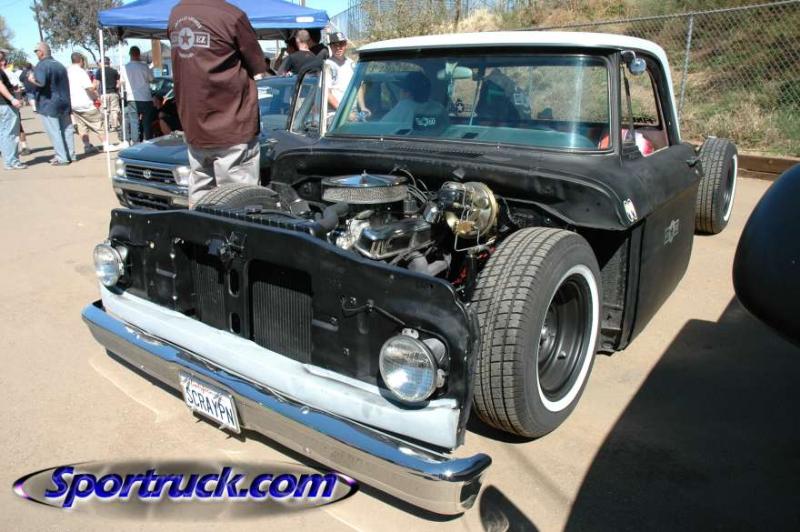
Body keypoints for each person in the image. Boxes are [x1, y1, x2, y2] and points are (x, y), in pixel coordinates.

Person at [168, 0, 266, 206]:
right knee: (239, 202)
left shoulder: (176, 15)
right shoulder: (232, 16)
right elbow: (258, 65)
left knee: (200, 198)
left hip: (195, 127)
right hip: (232, 127)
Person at [28, 42, 74, 166]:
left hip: (48, 103)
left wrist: (32, 80)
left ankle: (62, 158)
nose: (36, 54)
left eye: (36, 51)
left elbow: (41, 82)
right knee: (67, 129)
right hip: (64, 101)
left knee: (54, 131)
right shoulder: (60, 65)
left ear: (41, 52)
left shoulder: (41, 65)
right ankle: (71, 154)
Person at [67, 52, 117, 154]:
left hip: (74, 104)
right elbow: (89, 88)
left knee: (82, 126)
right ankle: (106, 144)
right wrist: (95, 91)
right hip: (85, 103)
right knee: (98, 124)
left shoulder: (67, 71)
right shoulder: (81, 72)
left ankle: (87, 145)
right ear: (81, 60)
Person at [120, 46, 154, 143]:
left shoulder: (125, 67)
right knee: (147, 121)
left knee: (134, 121)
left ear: (130, 54)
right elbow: (151, 79)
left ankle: (135, 142)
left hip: (132, 97)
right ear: (139, 54)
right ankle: (148, 140)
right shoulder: (144, 66)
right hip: (145, 97)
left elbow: (122, 82)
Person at [0, 51, 30, 155]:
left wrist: (16, 100)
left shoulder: (9, 73)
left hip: (8, 103)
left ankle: (24, 146)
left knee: (17, 126)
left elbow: (17, 88)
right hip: (6, 103)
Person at [0, 63, 26, 170]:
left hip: (3, 105)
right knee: (11, 134)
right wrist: (12, 99)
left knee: (4, 134)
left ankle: (9, 161)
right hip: (5, 104)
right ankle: (12, 161)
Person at [325, 32, 354, 111]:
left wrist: (362, 107)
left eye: (341, 44)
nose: (338, 48)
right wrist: (343, 111)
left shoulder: (351, 63)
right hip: (336, 112)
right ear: (330, 47)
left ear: (346, 45)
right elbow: (326, 92)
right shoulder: (327, 65)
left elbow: (358, 87)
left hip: (353, 108)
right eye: (335, 45)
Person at [95, 56, 121, 132]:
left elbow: (97, 84)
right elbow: (118, 84)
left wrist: (97, 94)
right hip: (113, 93)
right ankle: (114, 126)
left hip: (104, 93)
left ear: (102, 63)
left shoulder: (99, 71)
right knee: (114, 110)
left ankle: (106, 127)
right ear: (109, 62)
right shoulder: (114, 71)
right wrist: (117, 91)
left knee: (105, 110)